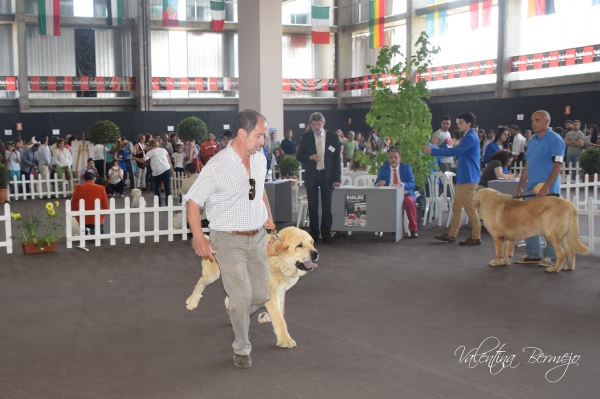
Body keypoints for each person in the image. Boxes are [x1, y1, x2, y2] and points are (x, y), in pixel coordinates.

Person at [187, 109, 274, 369]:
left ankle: (237, 312)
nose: (263, 141)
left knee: (259, 295)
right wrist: (199, 238)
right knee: (242, 295)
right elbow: (193, 202)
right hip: (227, 240)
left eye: (264, 136)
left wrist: (268, 216)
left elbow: (259, 190)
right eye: (259, 136)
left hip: (257, 238)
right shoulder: (217, 166)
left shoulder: (260, 160)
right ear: (242, 134)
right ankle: (242, 348)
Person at [515, 110, 566, 267]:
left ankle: (552, 256)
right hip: (531, 189)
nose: (533, 123)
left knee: (549, 224)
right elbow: (527, 165)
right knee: (530, 222)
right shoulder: (531, 141)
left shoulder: (555, 140)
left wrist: (546, 187)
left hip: (548, 191)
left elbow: (558, 166)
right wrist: (520, 187)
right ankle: (533, 254)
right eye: (532, 121)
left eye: (537, 120)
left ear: (546, 122)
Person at [423, 112, 481, 246]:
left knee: (469, 207)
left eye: (461, 122)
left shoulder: (470, 137)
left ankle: (476, 236)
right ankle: (452, 234)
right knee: (457, 206)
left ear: (469, 123)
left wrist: (433, 151)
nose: (458, 125)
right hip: (466, 176)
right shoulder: (469, 136)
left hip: (469, 176)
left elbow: (455, 152)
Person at [297, 112, 342, 244]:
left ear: (324, 123)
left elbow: (336, 160)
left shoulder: (333, 137)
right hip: (312, 175)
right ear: (310, 125)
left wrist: (337, 178)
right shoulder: (305, 137)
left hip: (327, 175)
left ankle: (326, 233)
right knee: (313, 206)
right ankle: (314, 234)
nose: (316, 127)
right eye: (314, 124)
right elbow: (299, 156)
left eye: (319, 124)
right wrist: (310, 158)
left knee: (327, 207)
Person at [374, 149, 419, 238]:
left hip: (404, 193)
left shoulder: (406, 168)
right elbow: (376, 183)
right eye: (391, 157)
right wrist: (379, 184)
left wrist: (402, 184)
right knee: (382, 203)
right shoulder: (384, 168)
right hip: (389, 195)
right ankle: (389, 228)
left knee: (410, 203)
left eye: (395, 157)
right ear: (388, 159)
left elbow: (412, 183)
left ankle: (413, 229)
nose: (393, 159)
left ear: (400, 159)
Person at [146, 139, 174, 206]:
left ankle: (159, 203)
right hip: (166, 169)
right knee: (167, 187)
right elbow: (169, 160)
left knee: (157, 187)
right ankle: (168, 204)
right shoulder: (163, 150)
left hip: (157, 171)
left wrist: (135, 158)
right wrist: (172, 169)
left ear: (151, 145)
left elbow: (143, 160)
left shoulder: (150, 152)